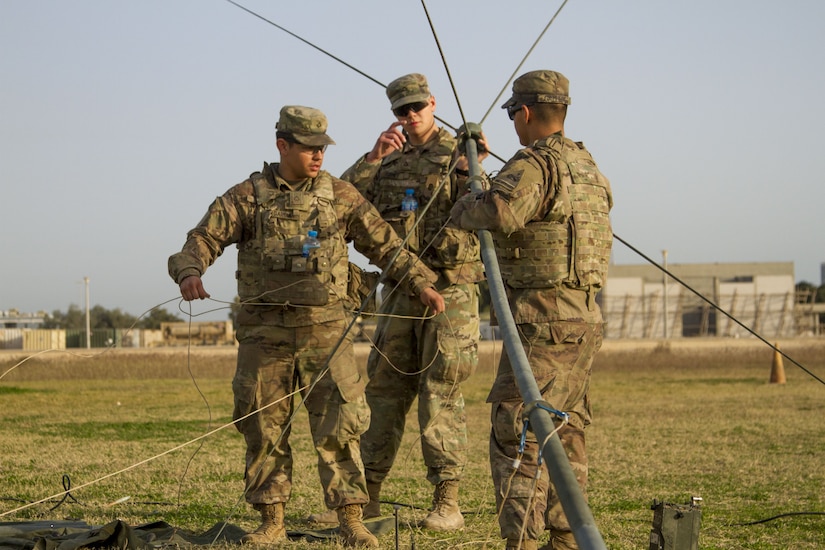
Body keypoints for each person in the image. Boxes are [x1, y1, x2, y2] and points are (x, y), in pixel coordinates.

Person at [168, 105, 446, 548]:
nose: (319, 156)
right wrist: (189, 270)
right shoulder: (248, 195)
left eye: (323, 148)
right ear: (283, 146)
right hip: (266, 336)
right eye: (309, 148)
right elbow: (203, 237)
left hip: (327, 333)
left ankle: (351, 521)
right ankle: (271, 521)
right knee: (263, 427)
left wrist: (423, 285)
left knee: (341, 425)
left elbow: (385, 245)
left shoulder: (340, 195)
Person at [309, 73, 486, 531]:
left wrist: (476, 159)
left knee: (441, 390)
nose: (410, 117)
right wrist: (372, 159)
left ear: (433, 103)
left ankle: (447, 500)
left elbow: (486, 203)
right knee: (383, 393)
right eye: (401, 111)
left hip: (452, 290)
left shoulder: (460, 155)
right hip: (401, 292)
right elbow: (333, 203)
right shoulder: (386, 161)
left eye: (416, 108)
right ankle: (365, 499)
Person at [450, 70, 613, 550]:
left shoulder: (535, 164)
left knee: (518, 429)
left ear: (524, 113)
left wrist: (465, 200)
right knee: (565, 427)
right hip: (583, 317)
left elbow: (499, 212)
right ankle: (566, 539)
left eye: (513, 116)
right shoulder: (588, 167)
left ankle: (520, 540)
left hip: (543, 318)